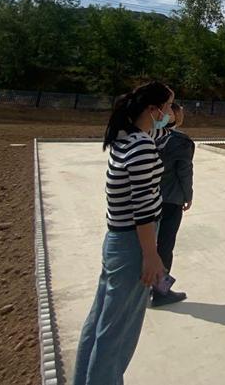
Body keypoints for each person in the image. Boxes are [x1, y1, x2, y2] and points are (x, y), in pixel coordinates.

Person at [73, 81, 174, 385]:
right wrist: (151, 255)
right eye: (168, 107)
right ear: (153, 109)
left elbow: (162, 132)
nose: (170, 113)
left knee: (101, 322)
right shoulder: (142, 147)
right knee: (117, 334)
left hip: (118, 240)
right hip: (134, 244)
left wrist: (171, 120)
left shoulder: (126, 137)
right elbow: (142, 208)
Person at [152, 102, 195, 307]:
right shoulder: (181, 142)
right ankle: (161, 292)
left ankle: (142, 288)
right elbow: (184, 172)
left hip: (147, 199)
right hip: (170, 200)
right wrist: (188, 195)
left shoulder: (147, 136)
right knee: (165, 246)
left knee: (146, 245)